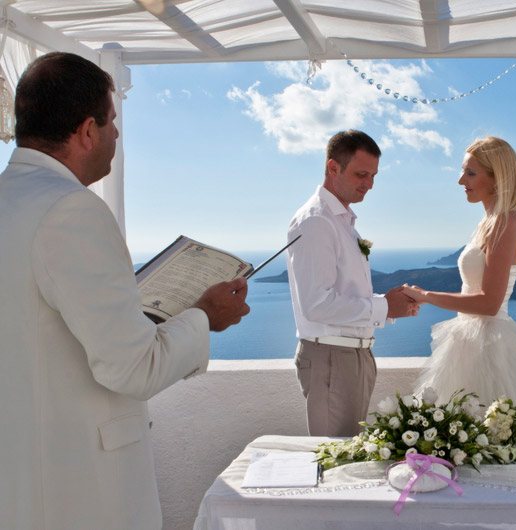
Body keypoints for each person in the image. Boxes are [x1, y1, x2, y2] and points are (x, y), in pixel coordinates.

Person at [0, 52, 250, 530]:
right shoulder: (72, 211)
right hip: (78, 491)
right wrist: (204, 315)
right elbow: (134, 368)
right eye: (113, 122)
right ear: (87, 130)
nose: (116, 135)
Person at [403, 136, 516, 427]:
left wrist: (425, 295)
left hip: (487, 346)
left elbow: (488, 303)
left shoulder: (506, 223)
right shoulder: (489, 222)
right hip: (469, 340)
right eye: (463, 171)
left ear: (498, 179)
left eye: (471, 173)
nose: (461, 180)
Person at [287, 129, 419, 437]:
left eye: (373, 175)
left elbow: (343, 292)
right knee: (336, 460)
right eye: (362, 174)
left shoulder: (341, 219)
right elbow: (316, 304)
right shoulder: (316, 220)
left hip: (351, 358)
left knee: (349, 454)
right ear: (333, 168)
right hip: (332, 359)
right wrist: (384, 306)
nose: (369, 184)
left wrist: (390, 305)